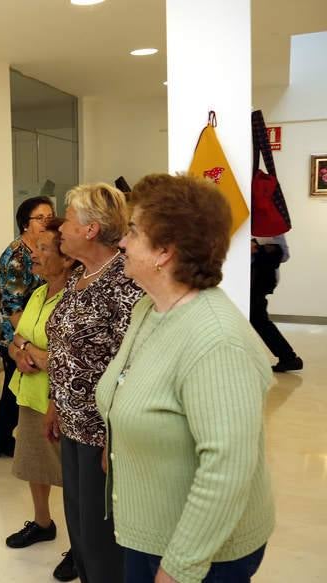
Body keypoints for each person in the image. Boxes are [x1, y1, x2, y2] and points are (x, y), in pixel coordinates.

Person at [96, 173, 275, 583]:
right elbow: (129, 390)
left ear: (165, 252)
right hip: (152, 533)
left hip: (199, 554)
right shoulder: (149, 310)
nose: (122, 242)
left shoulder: (216, 341)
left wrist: (179, 568)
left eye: (133, 232)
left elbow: (227, 470)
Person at [45, 183, 143, 583]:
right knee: (79, 526)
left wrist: (114, 435)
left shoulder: (123, 281)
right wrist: (55, 403)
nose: (60, 227)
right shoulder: (80, 276)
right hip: (71, 424)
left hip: (101, 431)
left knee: (101, 535)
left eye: (68, 217)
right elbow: (65, 351)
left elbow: (132, 365)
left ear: (90, 229)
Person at [4, 218, 78, 581]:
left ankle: (81, 546)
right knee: (35, 465)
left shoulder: (74, 299)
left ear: (67, 259)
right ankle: (42, 522)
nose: (33, 253)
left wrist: (28, 349)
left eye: (44, 248)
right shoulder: (38, 293)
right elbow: (13, 339)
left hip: (60, 402)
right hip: (30, 395)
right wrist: (22, 350)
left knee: (73, 478)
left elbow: (64, 359)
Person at [0, 196, 54, 458]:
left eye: (50, 217)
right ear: (25, 224)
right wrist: (24, 343)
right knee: (13, 390)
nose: (47, 222)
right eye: (40, 218)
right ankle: (1, 442)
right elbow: (12, 307)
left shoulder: (44, 248)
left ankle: (2, 441)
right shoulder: (16, 256)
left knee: (13, 390)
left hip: (33, 331)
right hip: (13, 333)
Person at [250, 235, 303, 372]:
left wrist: (257, 249)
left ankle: (288, 357)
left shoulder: (271, 230)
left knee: (258, 319)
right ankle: (288, 357)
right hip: (247, 279)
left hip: (258, 280)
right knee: (257, 319)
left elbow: (284, 255)